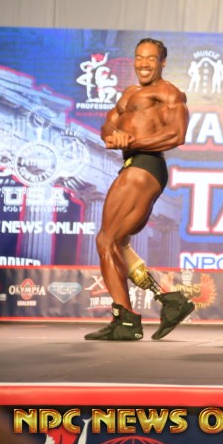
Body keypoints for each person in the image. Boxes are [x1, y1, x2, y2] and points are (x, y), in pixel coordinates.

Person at [86, 38, 194, 341]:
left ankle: (126, 320)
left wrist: (132, 141)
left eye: (151, 59)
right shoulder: (129, 93)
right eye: (139, 57)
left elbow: (177, 134)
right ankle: (170, 300)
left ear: (162, 62)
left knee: (106, 240)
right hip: (135, 164)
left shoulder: (168, 92)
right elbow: (108, 126)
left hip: (145, 165)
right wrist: (115, 135)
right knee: (119, 243)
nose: (144, 64)